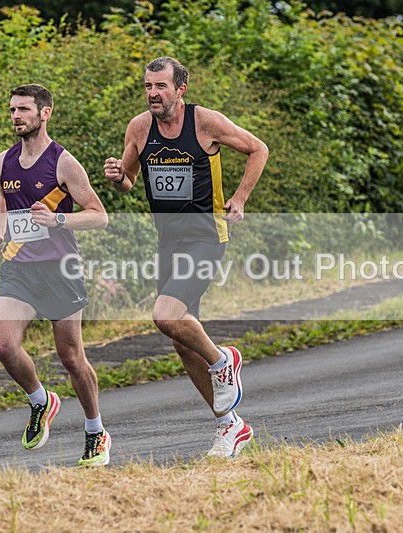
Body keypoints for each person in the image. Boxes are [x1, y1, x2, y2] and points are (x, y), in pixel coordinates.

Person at [103, 57, 268, 457]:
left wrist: (240, 198)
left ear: (180, 90)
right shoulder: (139, 128)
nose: (153, 93)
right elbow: (129, 181)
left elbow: (257, 149)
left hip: (206, 237)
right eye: (148, 86)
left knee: (165, 315)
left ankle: (223, 360)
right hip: (169, 243)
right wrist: (118, 177)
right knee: (181, 342)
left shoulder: (205, 122)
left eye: (161, 86)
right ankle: (230, 425)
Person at [0, 84, 112, 466]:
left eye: (24, 109)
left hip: (60, 270)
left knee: (71, 358)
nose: (16, 116)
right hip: (19, 268)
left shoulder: (64, 163)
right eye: (12, 109)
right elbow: (4, 200)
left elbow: (99, 215)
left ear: (45, 113)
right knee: (4, 346)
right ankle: (41, 400)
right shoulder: (3, 161)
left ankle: (95, 430)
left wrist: (58, 219)